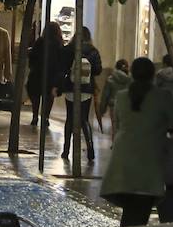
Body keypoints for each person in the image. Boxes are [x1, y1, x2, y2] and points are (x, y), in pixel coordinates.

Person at [100, 57, 173, 225]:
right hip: (146, 167)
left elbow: (123, 124)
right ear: (153, 75)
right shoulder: (162, 97)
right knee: (138, 217)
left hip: (121, 166)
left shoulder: (122, 97)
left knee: (131, 216)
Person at [60, 27, 102, 163]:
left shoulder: (69, 49)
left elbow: (63, 68)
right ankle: (90, 150)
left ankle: (66, 150)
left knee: (70, 118)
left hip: (71, 88)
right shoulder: (93, 51)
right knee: (84, 119)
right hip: (86, 89)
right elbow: (98, 70)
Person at [25, 21, 65, 126]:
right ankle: (46, 117)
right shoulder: (59, 43)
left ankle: (35, 116)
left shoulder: (40, 41)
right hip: (52, 75)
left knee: (35, 96)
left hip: (37, 73)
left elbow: (33, 56)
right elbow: (61, 60)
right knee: (49, 97)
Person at [98, 59, 130, 137]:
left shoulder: (110, 79)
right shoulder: (130, 80)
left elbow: (105, 96)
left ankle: (115, 144)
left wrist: (102, 110)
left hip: (114, 105)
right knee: (125, 126)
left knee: (115, 125)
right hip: (127, 105)